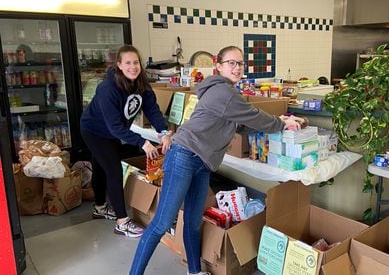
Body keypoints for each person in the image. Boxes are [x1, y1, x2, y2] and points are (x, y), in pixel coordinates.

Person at [129, 46, 301, 275]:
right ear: (218, 65)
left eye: (240, 64)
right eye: (231, 63)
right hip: (183, 156)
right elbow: (254, 117)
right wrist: (281, 123)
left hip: (200, 162)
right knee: (162, 222)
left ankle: (194, 271)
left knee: (192, 221)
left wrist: (278, 119)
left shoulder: (224, 91)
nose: (237, 68)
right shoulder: (225, 93)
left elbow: (241, 121)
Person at [80, 44, 171, 238]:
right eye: (128, 63)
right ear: (119, 65)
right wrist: (142, 142)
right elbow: (116, 127)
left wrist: (163, 131)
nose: (133, 67)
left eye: (136, 62)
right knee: (113, 169)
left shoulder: (141, 85)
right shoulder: (107, 88)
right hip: (94, 130)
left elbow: (152, 110)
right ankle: (122, 222)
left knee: (100, 166)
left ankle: (99, 207)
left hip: (112, 132)